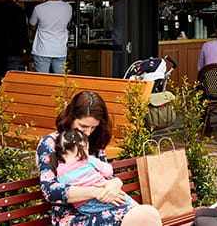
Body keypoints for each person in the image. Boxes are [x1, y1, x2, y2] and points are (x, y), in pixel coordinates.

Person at [37, 91, 160, 226]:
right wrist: (95, 192)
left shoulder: (92, 142)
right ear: (71, 118)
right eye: (83, 126)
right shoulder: (50, 143)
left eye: (93, 127)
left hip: (104, 205)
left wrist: (116, 183)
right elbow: (50, 190)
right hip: (72, 216)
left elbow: (106, 175)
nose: (88, 132)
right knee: (145, 216)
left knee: (147, 214)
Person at [54, 128, 133, 214]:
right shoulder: (88, 160)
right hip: (103, 196)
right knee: (133, 207)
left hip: (83, 207)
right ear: (83, 147)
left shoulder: (59, 170)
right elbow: (108, 171)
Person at [31, 0, 72, 74]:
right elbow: (66, 23)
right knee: (60, 82)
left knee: (43, 82)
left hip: (42, 50)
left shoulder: (39, 8)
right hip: (60, 50)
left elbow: (32, 26)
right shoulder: (68, 7)